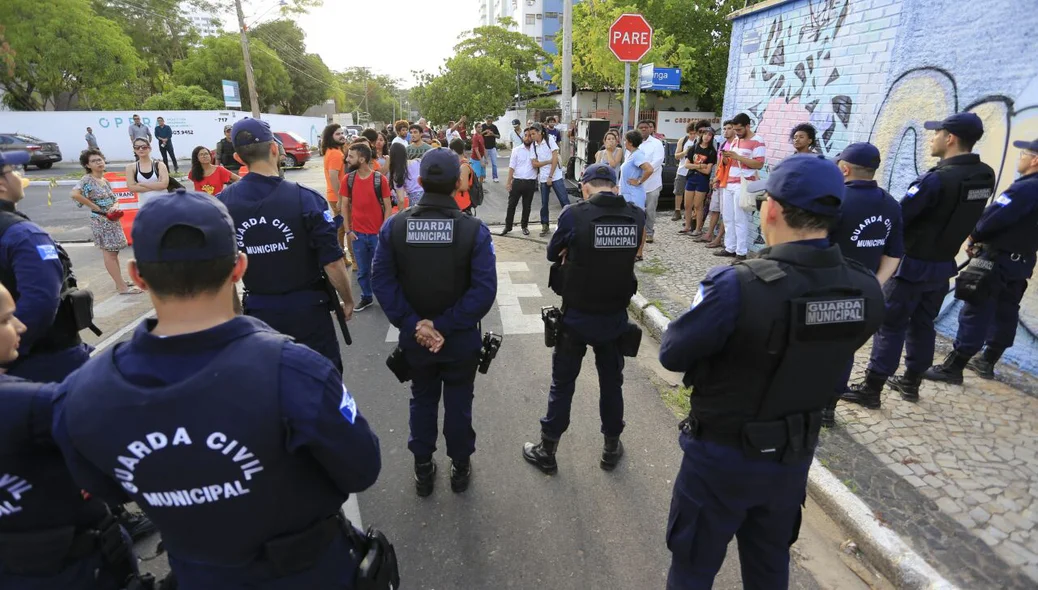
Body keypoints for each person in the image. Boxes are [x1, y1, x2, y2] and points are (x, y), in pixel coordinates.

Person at [50, 190, 386, 589]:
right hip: (308, 572)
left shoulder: (83, 391)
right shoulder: (295, 370)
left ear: (138, 275)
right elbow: (361, 466)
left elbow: (105, 484)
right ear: (239, 267)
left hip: (199, 571)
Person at [659, 155, 884, 589]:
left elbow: (672, 353)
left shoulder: (735, 286)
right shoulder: (864, 288)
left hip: (721, 458)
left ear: (773, 209)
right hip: (791, 458)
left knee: (692, 567)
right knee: (768, 568)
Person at [842, 112, 995, 407]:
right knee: (923, 324)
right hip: (941, 266)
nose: (933, 137)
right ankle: (911, 381)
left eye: (937, 132)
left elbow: (902, 217)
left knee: (890, 325)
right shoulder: (985, 175)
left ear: (950, 138)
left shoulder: (936, 179)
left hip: (912, 266)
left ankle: (872, 388)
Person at [0, 283, 145, 590]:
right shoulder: (32, 403)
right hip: (77, 565)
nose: (20, 325)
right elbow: (115, 462)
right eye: (5, 320)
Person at [371, 148, 497, 496]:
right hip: (458, 341)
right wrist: (443, 325)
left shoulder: (395, 226)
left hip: (417, 341)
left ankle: (423, 469)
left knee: (422, 399)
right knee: (459, 403)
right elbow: (484, 291)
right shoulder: (474, 230)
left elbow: (382, 281)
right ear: (458, 183)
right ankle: (460, 467)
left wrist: (416, 325)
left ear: (421, 181)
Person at [522, 163, 645, 474]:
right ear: (615, 186)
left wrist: (571, 252)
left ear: (586, 186)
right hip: (615, 316)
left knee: (562, 384)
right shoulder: (636, 215)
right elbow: (634, 252)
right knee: (611, 384)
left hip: (576, 315)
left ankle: (547, 450)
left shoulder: (574, 214)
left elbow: (553, 253)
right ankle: (610, 448)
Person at [218, 119, 356, 373]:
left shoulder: (221, 205)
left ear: (238, 157)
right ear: (274, 149)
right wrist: (347, 299)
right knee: (321, 382)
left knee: (273, 385)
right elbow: (333, 261)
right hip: (308, 312)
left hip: (259, 312)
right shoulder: (305, 199)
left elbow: (222, 272)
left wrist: (237, 317)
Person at [922, 138, 1038, 383]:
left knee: (977, 309)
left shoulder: (1025, 188)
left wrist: (974, 235)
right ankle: (988, 361)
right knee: (1007, 311)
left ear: (1035, 160)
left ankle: (954, 367)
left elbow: (993, 218)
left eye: (1024, 154)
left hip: (997, 260)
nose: (1021, 158)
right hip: (1022, 262)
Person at [823, 142, 903, 427]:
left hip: (826, 289)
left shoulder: (835, 199)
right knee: (844, 351)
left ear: (844, 168)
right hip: (863, 293)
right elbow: (894, 254)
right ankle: (828, 409)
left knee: (813, 347)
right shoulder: (891, 203)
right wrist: (874, 283)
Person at [0, 151, 95, 383]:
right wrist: (7, 354)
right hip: (43, 361)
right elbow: (40, 302)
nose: (19, 175)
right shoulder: (25, 236)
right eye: (13, 170)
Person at [70, 148, 139, 294]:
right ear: (87, 165)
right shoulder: (87, 180)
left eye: (99, 159)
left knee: (114, 252)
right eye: (94, 161)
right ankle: (122, 287)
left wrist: (114, 207)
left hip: (112, 219)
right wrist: (96, 208)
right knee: (109, 254)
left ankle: (119, 281)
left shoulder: (104, 179)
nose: (99, 163)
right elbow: (75, 194)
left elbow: (114, 199)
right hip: (101, 220)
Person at [341, 142, 391, 313]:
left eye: (351, 156)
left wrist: (382, 231)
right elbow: (344, 206)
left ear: (362, 159)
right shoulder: (348, 179)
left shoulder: (380, 179)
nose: (347, 159)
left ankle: (386, 299)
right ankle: (367, 297)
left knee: (381, 271)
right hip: (358, 235)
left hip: (377, 235)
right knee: (362, 271)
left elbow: (388, 207)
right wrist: (348, 231)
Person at [717, 113, 767, 261]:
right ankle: (730, 247)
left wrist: (737, 157)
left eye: (739, 130)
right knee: (728, 217)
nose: (737, 133)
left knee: (740, 218)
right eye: (735, 130)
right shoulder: (735, 141)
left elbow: (758, 164)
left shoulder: (758, 141)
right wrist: (726, 159)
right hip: (729, 182)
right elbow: (729, 162)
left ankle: (741, 252)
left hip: (743, 183)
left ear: (747, 126)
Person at [321, 123, 353, 261]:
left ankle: (342, 257)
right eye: (337, 134)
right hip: (337, 196)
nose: (341, 136)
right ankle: (351, 259)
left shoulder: (333, 151)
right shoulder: (334, 153)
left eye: (342, 133)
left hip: (336, 196)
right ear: (330, 137)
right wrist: (341, 199)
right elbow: (333, 176)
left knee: (340, 228)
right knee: (347, 227)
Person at [680, 122, 718, 237]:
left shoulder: (712, 152)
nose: (707, 136)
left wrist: (695, 166)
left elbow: (708, 171)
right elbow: (686, 165)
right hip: (691, 178)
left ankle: (697, 228)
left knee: (698, 205)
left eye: (710, 135)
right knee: (687, 204)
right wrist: (700, 166)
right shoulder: (694, 148)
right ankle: (687, 226)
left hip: (702, 180)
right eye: (705, 134)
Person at [620, 130, 653, 261]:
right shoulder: (631, 154)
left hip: (634, 194)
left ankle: (639, 252)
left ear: (630, 142)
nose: (624, 142)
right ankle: (630, 250)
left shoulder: (638, 155)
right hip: (626, 193)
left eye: (625, 140)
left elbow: (649, 169)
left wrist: (639, 181)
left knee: (638, 222)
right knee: (628, 223)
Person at [531, 123, 569, 237]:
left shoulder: (549, 140)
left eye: (533, 133)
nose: (532, 136)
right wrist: (547, 162)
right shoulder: (534, 145)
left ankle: (569, 223)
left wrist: (550, 176)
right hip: (543, 178)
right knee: (544, 203)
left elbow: (555, 158)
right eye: (531, 134)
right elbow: (534, 164)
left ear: (540, 132)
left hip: (555, 176)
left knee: (564, 201)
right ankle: (545, 225)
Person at [632, 120, 665, 244]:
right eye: (641, 127)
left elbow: (657, 161)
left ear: (651, 129)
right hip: (635, 183)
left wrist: (643, 172)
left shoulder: (657, 143)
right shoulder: (634, 144)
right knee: (636, 209)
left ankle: (649, 232)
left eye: (646, 127)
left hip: (652, 183)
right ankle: (637, 232)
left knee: (650, 210)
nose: (643, 129)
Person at [502, 127, 538, 236]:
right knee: (511, 205)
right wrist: (508, 182)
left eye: (530, 136)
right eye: (525, 135)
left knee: (527, 206)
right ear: (522, 137)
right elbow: (511, 167)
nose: (527, 138)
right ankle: (508, 227)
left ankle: (524, 226)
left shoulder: (536, 150)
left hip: (530, 182)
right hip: (517, 182)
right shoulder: (516, 150)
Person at [124, 137, 169, 208]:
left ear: (149, 148)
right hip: (144, 207)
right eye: (137, 147)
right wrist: (156, 186)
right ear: (134, 150)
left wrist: (141, 184)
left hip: (163, 205)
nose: (140, 149)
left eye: (144, 147)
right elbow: (132, 188)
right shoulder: (131, 167)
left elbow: (164, 185)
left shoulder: (160, 165)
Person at [672, 122, 697, 222]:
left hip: (694, 170)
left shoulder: (699, 141)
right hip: (682, 170)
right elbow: (676, 155)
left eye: (694, 133)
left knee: (693, 193)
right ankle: (677, 211)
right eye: (690, 133)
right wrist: (685, 152)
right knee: (678, 191)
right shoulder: (683, 140)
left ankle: (690, 213)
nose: (692, 135)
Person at [388, 142, 424, 208]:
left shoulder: (398, 173)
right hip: (427, 197)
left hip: (415, 203)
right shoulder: (418, 161)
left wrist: (400, 215)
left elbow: (401, 200)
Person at [449, 139, 475, 213]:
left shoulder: (464, 166)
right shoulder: (457, 164)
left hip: (462, 203)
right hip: (456, 202)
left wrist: (447, 187)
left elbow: (463, 186)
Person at [482, 116, 501, 182]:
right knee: (484, 163)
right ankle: (483, 177)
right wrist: (484, 132)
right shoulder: (482, 126)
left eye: (491, 121)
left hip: (492, 147)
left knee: (494, 164)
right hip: (484, 148)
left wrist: (493, 134)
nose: (489, 122)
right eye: (488, 121)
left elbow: (498, 136)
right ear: (486, 120)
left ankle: (495, 177)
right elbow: (478, 135)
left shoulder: (494, 127)